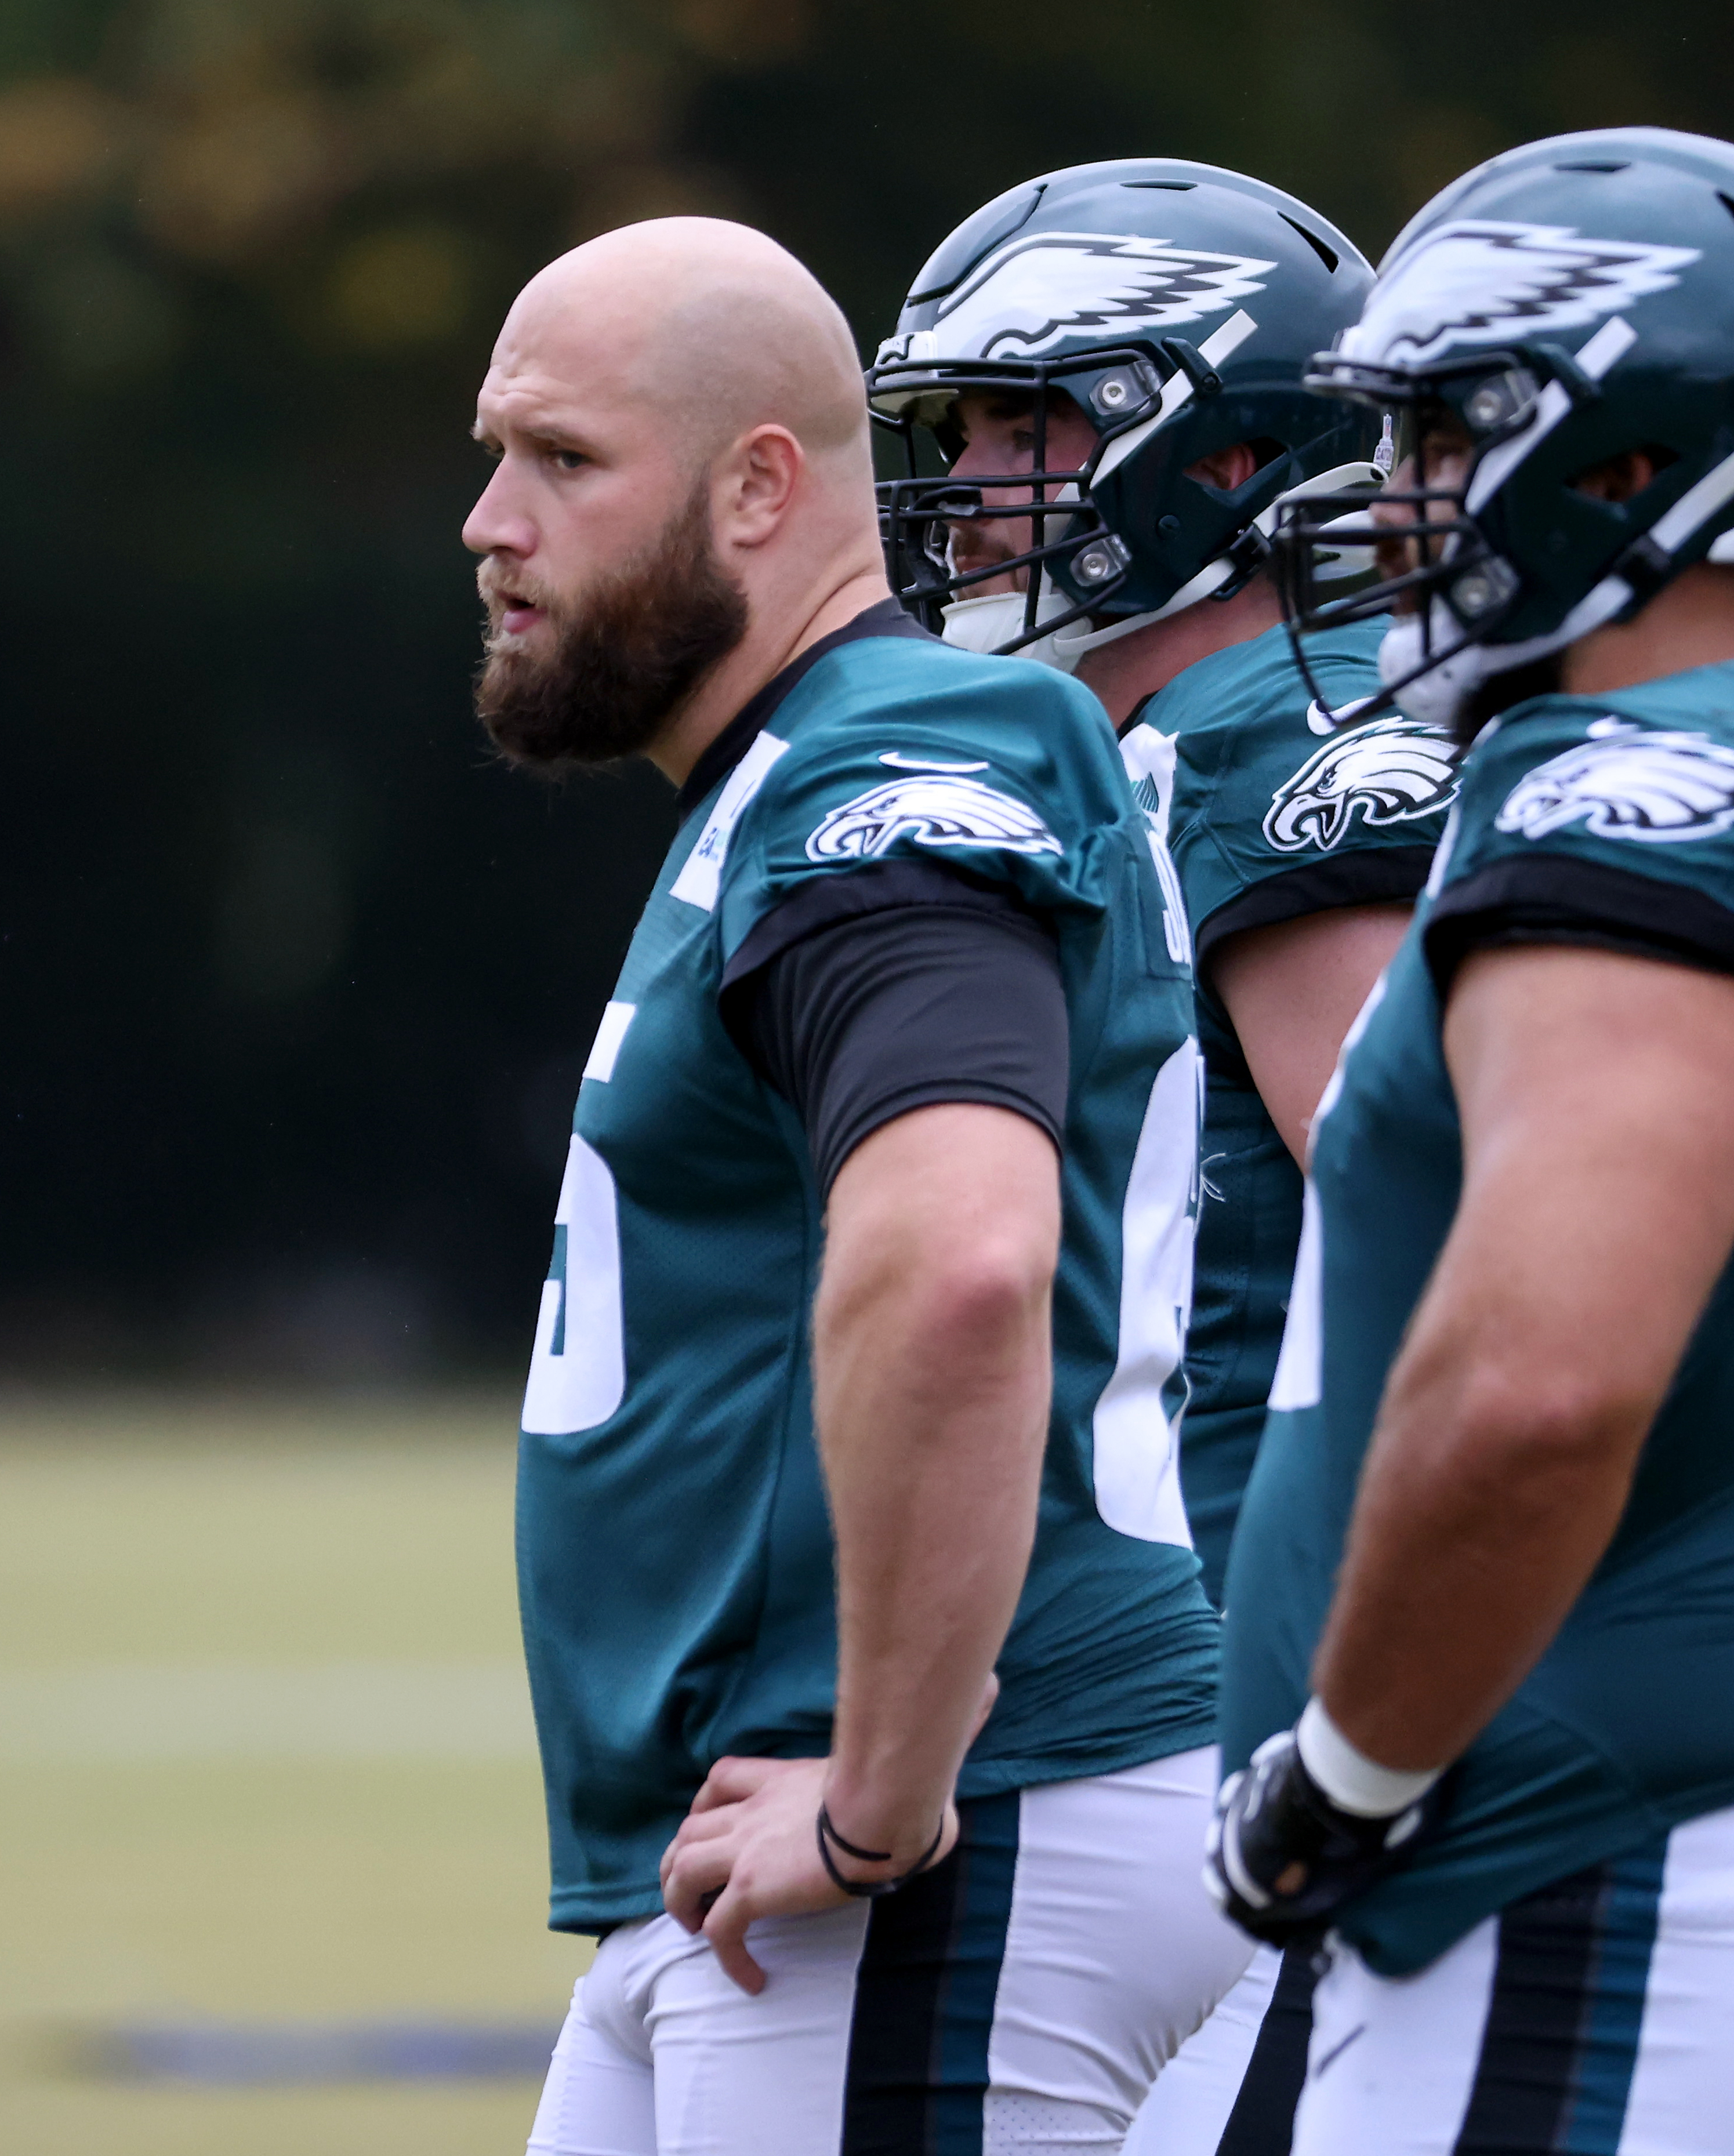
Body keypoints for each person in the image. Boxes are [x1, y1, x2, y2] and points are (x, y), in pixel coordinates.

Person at [1209, 129, 1734, 2154]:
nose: (1391, 503)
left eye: (1439, 437)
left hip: (1594, 1897)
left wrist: (1348, 1775)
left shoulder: (1636, 788)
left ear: (1629, 460)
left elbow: (1539, 1388)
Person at [467, 215, 1249, 2155]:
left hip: (956, 1828)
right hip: (785, 1839)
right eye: (493, 454)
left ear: (758, 488)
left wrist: (884, 1792)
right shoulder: (787, 775)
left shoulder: (894, 756)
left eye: (564, 461)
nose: (491, 522)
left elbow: (964, 1261)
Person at [870, 160, 1461, 2148]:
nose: (970, 474)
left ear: (1219, 456)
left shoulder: (1264, 758)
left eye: (1031, 421)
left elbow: (1429, 1241)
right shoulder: (1141, 750)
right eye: (957, 424)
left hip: (1248, 1691)